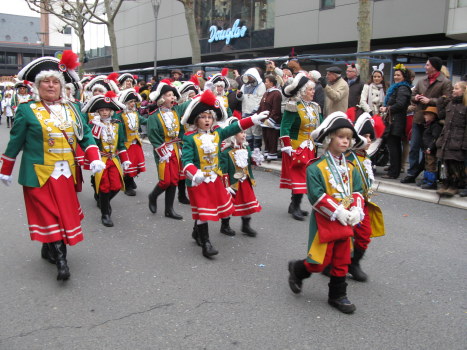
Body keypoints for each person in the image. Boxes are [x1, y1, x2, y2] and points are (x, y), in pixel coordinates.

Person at [0, 51, 105, 281]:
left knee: (60, 214)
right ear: (38, 86)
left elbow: (85, 135)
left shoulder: (73, 109)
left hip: (64, 174)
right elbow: (15, 141)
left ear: (61, 85)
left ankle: (48, 247)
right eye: (46, 81)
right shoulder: (26, 110)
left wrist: (94, 157)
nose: (50, 85)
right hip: (38, 173)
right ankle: (61, 261)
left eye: (55, 81)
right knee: (50, 215)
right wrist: (5, 169)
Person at [287, 112, 366, 314]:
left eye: (348, 138)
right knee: (318, 263)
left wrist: (357, 209)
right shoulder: (316, 167)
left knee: (342, 260)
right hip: (325, 220)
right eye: (341, 136)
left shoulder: (350, 167)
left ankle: (338, 295)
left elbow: (357, 190)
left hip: (346, 221)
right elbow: (316, 196)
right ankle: (297, 269)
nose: (345, 141)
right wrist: (338, 211)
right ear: (329, 139)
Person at [181, 89, 268, 258]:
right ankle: (206, 244)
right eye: (203, 117)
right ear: (195, 119)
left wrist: (253, 119)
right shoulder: (189, 138)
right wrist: (194, 173)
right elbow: (186, 160)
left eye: (209, 117)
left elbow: (235, 127)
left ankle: (196, 232)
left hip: (215, 179)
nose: (207, 120)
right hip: (198, 180)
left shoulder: (217, 134)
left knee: (206, 210)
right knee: (204, 212)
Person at [346, 113, 386, 281]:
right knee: (340, 237)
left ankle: (354, 263)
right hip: (347, 203)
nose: (369, 140)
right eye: (365, 136)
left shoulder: (366, 157)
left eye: (371, 136)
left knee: (364, 235)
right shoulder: (348, 157)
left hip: (362, 203)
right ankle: (331, 264)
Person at [82, 92, 131, 227]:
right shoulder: (93, 125)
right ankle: (105, 214)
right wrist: (93, 160)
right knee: (104, 186)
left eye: (107, 110)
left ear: (111, 111)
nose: (104, 112)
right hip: (101, 159)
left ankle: (104, 202)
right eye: (102, 110)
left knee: (116, 186)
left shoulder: (117, 124)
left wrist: (125, 159)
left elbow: (121, 143)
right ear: (98, 111)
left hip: (114, 159)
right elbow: (92, 144)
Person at [401, 57, 452, 184]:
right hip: (419, 118)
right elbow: (412, 95)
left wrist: (431, 101)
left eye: (427, 65)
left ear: (434, 67)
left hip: (433, 120)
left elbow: (447, 99)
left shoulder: (445, 82)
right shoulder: (421, 81)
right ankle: (411, 173)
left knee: (428, 150)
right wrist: (416, 98)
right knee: (414, 146)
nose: (425, 67)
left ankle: (427, 175)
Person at [147, 80, 191, 220]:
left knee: (174, 179)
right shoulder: (154, 116)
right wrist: (162, 151)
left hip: (176, 149)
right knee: (165, 181)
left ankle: (169, 209)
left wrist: (204, 95)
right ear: (161, 98)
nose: (172, 97)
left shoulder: (176, 110)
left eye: (173, 95)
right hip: (163, 150)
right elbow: (153, 136)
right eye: (168, 95)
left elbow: (189, 105)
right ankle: (153, 196)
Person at [280, 73, 321, 221]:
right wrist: (287, 147)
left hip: (311, 146)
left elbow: (319, 127)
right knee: (299, 176)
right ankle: (295, 206)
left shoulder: (315, 107)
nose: (313, 92)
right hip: (296, 146)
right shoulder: (293, 106)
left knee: (306, 177)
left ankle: (294, 204)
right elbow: (284, 127)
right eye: (310, 90)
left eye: (313, 90)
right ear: (303, 91)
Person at [219, 119, 263, 237]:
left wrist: (255, 160)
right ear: (232, 135)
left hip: (245, 181)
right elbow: (223, 171)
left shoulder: (246, 148)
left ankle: (246, 225)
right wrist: (226, 186)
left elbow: (248, 164)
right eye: (241, 132)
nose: (244, 135)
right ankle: (225, 226)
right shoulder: (225, 152)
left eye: (244, 132)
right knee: (229, 204)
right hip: (232, 183)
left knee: (247, 203)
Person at [379, 64, 412, 179]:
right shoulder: (398, 87)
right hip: (394, 119)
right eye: (395, 75)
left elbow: (401, 104)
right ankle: (394, 170)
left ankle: (394, 172)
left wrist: (387, 108)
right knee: (394, 146)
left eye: (399, 75)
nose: (396, 77)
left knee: (394, 146)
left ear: (404, 76)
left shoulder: (403, 88)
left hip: (396, 120)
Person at [436, 81, 467, 197]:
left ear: (464, 91)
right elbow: (441, 116)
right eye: (453, 88)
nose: (453, 90)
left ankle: (454, 185)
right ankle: (445, 183)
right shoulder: (450, 104)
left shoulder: (465, 106)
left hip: (458, 139)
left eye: (457, 89)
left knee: (455, 164)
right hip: (447, 138)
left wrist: (464, 144)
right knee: (445, 163)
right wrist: (440, 102)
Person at [117, 88, 147, 196]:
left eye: (134, 102)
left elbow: (143, 120)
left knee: (137, 163)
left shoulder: (135, 113)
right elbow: (118, 130)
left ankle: (131, 179)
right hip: (126, 143)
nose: (133, 104)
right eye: (130, 102)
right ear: (125, 103)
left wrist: (153, 119)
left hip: (136, 142)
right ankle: (127, 185)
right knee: (128, 165)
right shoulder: (120, 115)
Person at [237, 68, 266, 149]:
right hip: (245, 111)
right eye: (248, 77)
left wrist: (256, 109)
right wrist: (239, 95)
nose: (249, 79)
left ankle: (257, 149)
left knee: (256, 131)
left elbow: (261, 98)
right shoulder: (244, 86)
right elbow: (242, 98)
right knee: (247, 132)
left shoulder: (261, 85)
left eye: (250, 77)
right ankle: (249, 149)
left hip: (255, 113)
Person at [258, 74, 282, 161]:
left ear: (271, 83)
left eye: (266, 82)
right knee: (266, 138)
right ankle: (267, 151)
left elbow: (276, 108)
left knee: (272, 138)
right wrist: (258, 115)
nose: (265, 83)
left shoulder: (276, 93)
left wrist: (271, 119)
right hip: (264, 120)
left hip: (272, 121)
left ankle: (272, 153)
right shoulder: (266, 93)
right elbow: (261, 105)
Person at [419, 107, 443, 190]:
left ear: (432, 116)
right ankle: (426, 179)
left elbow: (435, 138)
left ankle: (431, 182)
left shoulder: (435, 126)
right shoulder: (429, 125)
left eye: (427, 114)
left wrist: (430, 148)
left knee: (431, 165)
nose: (424, 116)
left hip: (431, 149)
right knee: (427, 164)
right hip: (427, 148)